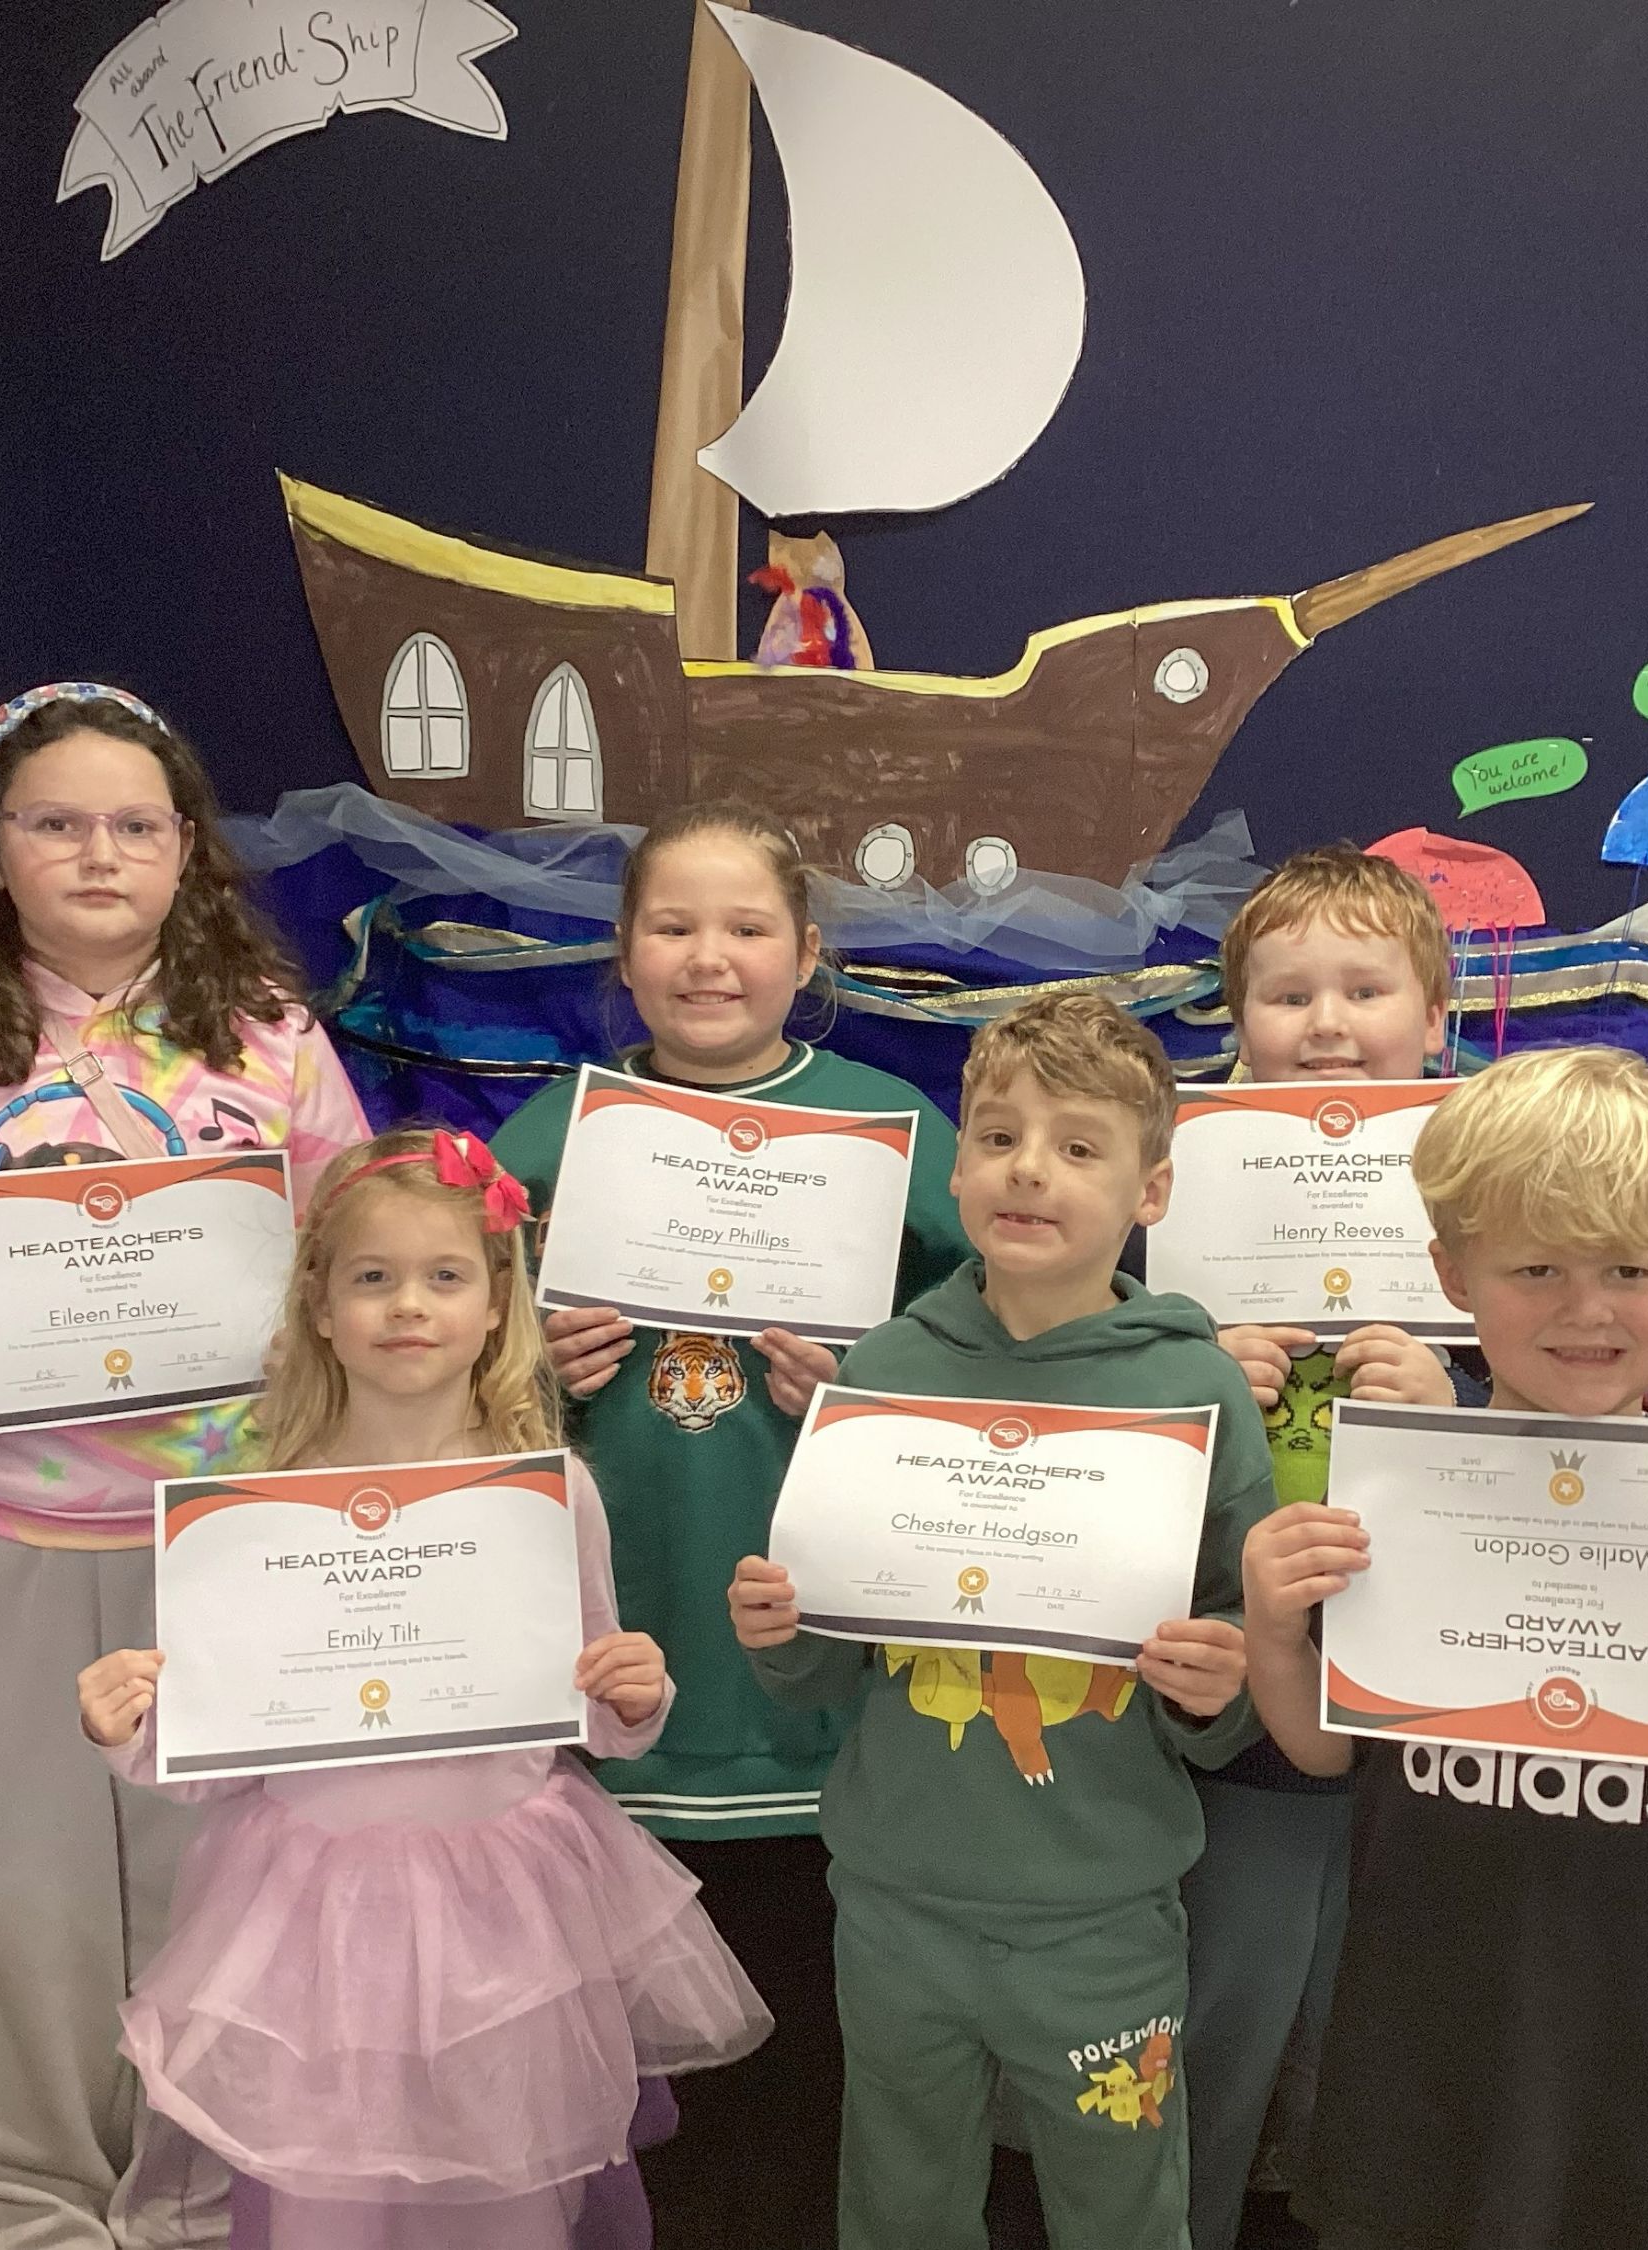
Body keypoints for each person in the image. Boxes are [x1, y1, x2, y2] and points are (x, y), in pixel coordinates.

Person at [0, 682, 370, 2247]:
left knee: (221, 1886)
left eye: (134, 823)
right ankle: (30, 2202)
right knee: (18, 1887)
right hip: (1, 1531)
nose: (98, 853)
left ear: (187, 849)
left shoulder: (269, 1038)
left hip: (224, 1527)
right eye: (56, 823)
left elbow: (360, 1246)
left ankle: (206, 2198)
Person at [1240, 1045, 1648, 2249]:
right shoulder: (1398, 1497)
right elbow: (1323, 1752)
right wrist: (1274, 1622)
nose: (1586, 1309)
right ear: (1454, 1273)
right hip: (1421, 2069)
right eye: (1536, 1268)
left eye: (1630, 1270)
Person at [76, 1126, 770, 2246]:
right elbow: (211, 1759)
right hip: (313, 1913)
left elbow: (594, 1712)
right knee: (327, 2200)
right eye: (372, 1279)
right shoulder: (253, 1509)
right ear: (318, 1304)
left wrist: (635, 1696)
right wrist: (134, 1728)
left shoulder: (552, 1496)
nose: (408, 1306)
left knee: (505, 2189)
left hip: (504, 1909)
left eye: (445, 1276)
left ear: (498, 1304)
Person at [487, 800, 973, 2242]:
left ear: (806, 954)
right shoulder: (553, 1131)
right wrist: (525, 1371)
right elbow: (431, 1354)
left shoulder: (892, 1131)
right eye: (674, 926)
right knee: (646, 2073)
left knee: (813, 2035)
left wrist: (874, 1384)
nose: (710, 957)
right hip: (627, 1660)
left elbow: (1002, 1352)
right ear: (624, 952)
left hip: (818, 1673)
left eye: (748, 927)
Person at [727, 993, 1277, 2250]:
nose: (1028, 1169)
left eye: (1079, 1147)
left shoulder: (1194, 1387)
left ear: (1152, 1191)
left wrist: (1219, 1686)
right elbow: (822, 1665)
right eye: (998, 1137)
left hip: (1103, 1914)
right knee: (899, 2200)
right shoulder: (882, 1371)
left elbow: (1238, 1665)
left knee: (1121, 2207)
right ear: (959, 1165)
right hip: (893, 1900)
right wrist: (779, 1629)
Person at [1184, 844, 1476, 2250]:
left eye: (1366, 989)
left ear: (1435, 1016)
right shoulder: (1172, 1196)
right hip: (1237, 1692)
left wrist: (1453, 1401)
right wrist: (1189, 1370)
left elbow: (1576, 1421)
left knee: (1384, 2008)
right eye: (1288, 993)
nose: (1327, 1024)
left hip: (1418, 1694)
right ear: (1237, 1017)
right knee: (1223, 2003)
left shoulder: (1488, 1190)